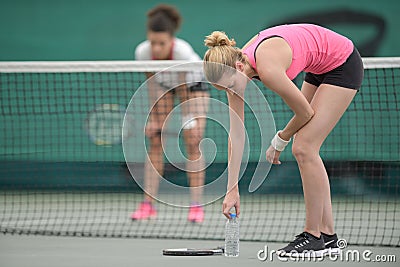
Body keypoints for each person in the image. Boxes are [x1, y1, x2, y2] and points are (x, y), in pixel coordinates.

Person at [202, 24, 363, 256]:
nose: (231, 91)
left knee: (304, 148)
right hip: (318, 66)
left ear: (238, 67)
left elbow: (305, 113)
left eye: (229, 86)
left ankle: (313, 236)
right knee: (303, 148)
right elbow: (236, 135)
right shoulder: (234, 69)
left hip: (343, 63)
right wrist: (232, 190)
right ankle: (328, 236)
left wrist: (279, 140)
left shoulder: (267, 68)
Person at [131, 4, 209, 223]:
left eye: (161, 43)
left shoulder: (182, 52)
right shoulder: (142, 52)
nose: (156, 48)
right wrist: (155, 120)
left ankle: (196, 206)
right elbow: (152, 85)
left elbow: (185, 92)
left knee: (193, 143)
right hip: (163, 85)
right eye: (153, 42)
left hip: (192, 87)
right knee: (156, 140)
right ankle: (147, 205)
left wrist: (189, 122)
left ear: (171, 39)